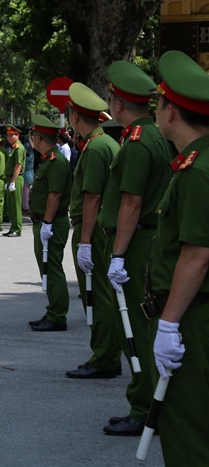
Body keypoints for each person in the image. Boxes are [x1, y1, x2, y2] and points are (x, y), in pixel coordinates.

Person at [98, 59, 173, 436]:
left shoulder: (138, 143)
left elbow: (131, 203)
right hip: (145, 239)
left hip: (136, 242)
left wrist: (117, 255)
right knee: (143, 327)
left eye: (111, 97)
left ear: (118, 104)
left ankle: (144, 408)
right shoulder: (152, 136)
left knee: (137, 329)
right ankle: (143, 403)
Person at [148, 50, 209, 463]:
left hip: (193, 314)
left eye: (159, 102)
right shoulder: (194, 162)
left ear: (171, 111)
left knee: (187, 428)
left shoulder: (198, 169)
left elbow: (196, 254)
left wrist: (169, 324)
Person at [64, 82, 122, 379]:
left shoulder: (97, 147)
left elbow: (92, 197)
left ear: (75, 117)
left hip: (94, 231)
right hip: (98, 229)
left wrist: (84, 241)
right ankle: (106, 353)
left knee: (97, 294)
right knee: (100, 293)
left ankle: (105, 357)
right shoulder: (101, 143)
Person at [27, 114, 72, 331]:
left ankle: (57, 316)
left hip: (52, 223)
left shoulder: (56, 161)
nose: (32, 140)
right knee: (48, 268)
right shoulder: (49, 158)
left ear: (38, 138)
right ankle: (53, 310)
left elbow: (54, 195)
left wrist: (46, 222)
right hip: (46, 222)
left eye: (33, 136)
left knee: (52, 268)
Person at [2, 126, 26, 237]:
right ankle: (13, 228)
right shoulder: (14, 147)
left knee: (16, 206)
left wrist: (13, 182)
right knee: (11, 205)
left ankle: (17, 229)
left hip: (16, 178)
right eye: (8, 135)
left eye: (12, 135)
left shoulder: (19, 148)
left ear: (18, 135)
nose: (9, 137)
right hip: (11, 178)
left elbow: (18, 166)